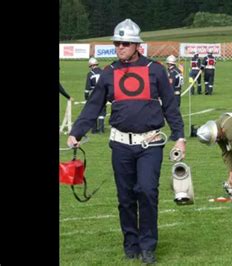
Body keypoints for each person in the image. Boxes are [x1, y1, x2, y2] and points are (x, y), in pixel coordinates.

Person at [66, 18, 186, 264]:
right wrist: (76, 132)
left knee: (147, 191)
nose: (119, 47)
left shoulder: (156, 70)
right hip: (120, 145)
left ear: (136, 45)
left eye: (124, 43)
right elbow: (93, 106)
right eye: (116, 43)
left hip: (150, 143)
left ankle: (148, 245)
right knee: (126, 197)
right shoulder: (108, 73)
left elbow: (171, 106)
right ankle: (131, 243)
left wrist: (180, 137)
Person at [84, 57, 106, 133]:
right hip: (103, 94)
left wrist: (86, 97)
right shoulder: (103, 72)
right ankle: (101, 129)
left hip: (94, 94)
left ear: (91, 66)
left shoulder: (90, 74)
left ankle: (94, 129)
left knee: (93, 111)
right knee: (102, 112)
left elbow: (87, 88)